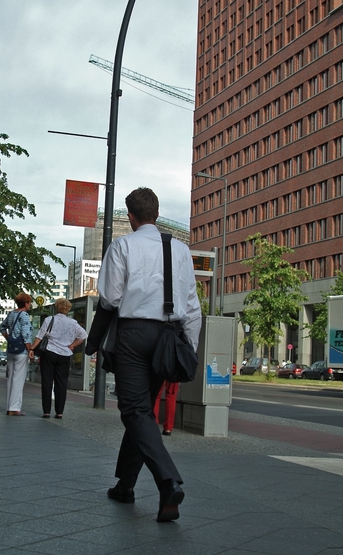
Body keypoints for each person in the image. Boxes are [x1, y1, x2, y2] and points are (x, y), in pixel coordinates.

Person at [95, 187, 201, 522]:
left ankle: (168, 481)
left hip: (133, 335)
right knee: (142, 412)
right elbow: (193, 308)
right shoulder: (181, 251)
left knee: (135, 411)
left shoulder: (123, 245)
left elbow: (110, 298)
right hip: (168, 337)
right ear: (155, 213)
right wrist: (190, 351)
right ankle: (125, 486)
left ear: (131, 216)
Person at [29, 298, 87, 418]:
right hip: (64, 355)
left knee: (47, 382)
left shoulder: (50, 319)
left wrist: (32, 349)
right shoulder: (73, 323)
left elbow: (40, 336)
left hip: (49, 352)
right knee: (62, 383)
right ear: (68, 309)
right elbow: (83, 335)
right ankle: (59, 412)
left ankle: (46, 411)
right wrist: (72, 345)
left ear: (56, 307)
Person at [0, 293, 33, 416]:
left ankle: (9, 406)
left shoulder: (11, 314)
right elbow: (26, 334)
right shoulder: (24, 315)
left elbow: (2, 327)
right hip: (22, 350)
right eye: (29, 302)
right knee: (18, 379)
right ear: (26, 303)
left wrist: (9, 338)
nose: (30, 305)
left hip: (11, 349)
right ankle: (14, 408)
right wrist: (30, 349)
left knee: (10, 378)